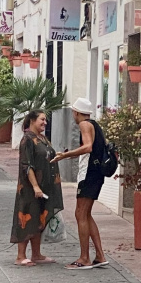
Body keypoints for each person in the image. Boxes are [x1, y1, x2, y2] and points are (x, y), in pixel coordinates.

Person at [50, 97, 109, 269]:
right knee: (86, 214)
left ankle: (84, 258)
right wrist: (71, 154)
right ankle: (99, 255)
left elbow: (88, 147)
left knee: (80, 214)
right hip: (96, 174)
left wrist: (65, 156)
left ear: (76, 112)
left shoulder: (84, 125)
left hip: (89, 174)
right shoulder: (94, 125)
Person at [13, 109, 61, 266]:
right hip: (30, 188)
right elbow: (26, 165)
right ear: (32, 121)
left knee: (39, 219)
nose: (45, 122)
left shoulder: (42, 138)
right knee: (27, 218)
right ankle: (20, 256)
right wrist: (35, 186)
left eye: (46, 120)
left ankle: (36, 254)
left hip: (45, 187)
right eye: (42, 119)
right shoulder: (27, 139)